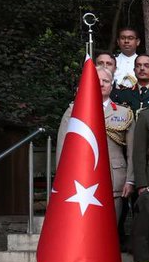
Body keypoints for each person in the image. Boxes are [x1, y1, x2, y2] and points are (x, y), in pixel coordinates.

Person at [58, 68, 135, 219]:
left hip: (114, 179)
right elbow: (63, 146)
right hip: (80, 180)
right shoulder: (73, 110)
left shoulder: (124, 113)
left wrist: (130, 179)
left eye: (106, 81)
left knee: (111, 229)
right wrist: (63, 180)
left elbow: (132, 150)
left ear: (111, 86)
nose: (101, 84)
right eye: (96, 81)